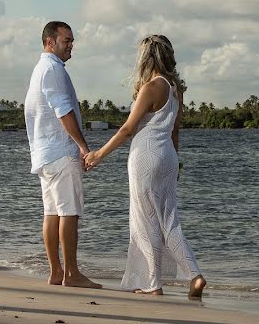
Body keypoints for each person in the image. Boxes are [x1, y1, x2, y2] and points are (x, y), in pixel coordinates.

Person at [85, 34, 206, 299]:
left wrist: (99, 154)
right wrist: (176, 162)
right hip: (167, 156)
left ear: (147, 58)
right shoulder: (175, 89)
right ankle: (194, 276)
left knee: (145, 219)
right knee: (169, 220)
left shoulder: (151, 88)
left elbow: (129, 128)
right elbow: (175, 131)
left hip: (145, 155)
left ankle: (152, 282)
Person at [24, 21, 101, 289]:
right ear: (50, 42)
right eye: (66, 40)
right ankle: (72, 273)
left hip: (45, 154)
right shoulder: (53, 70)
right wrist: (83, 147)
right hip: (60, 152)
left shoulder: (39, 70)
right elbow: (63, 112)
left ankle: (57, 272)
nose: (71, 45)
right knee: (69, 212)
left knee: (52, 213)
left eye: (71, 40)